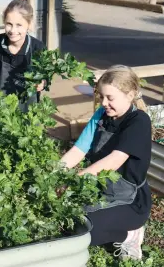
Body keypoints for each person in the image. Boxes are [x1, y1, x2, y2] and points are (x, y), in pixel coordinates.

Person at [60, 65, 152, 260]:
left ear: (130, 95)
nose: (104, 103)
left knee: (83, 232)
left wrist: (75, 181)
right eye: (101, 97)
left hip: (130, 201)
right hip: (100, 190)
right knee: (66, 220)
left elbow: (114, 159)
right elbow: (78, 150)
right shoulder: (101, 116)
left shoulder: (138, 122)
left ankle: (130, 234)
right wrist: (53, 174)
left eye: (110, 98)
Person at [0, 0, 46, 112]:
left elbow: (46, 75)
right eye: (9, 24)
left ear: (29, 25)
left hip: (30, 112)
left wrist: (43, 82)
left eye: (19, 25)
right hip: (1, 108)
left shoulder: (38, 48)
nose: (13, 30)